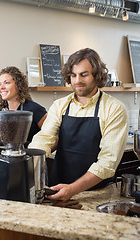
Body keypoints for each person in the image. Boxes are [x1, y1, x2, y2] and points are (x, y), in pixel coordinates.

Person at [29, 48, 129, 201]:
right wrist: (33, 167)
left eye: (84, 75)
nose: (77, 81)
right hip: (58, 189)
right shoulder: (60, 105)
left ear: (97, 75)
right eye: (73, 75)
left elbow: (108, 162)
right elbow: (43, 139)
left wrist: (73, 189)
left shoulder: (114, 109)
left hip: (98, 194)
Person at [0, 66, 47, 146]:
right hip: (7, 155)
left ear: (19, 85)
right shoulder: (0, 111)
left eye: (7, 83)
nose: (1, 87)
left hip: (29, 156)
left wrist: (39, 154)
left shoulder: (34, 109)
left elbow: (53, 136)